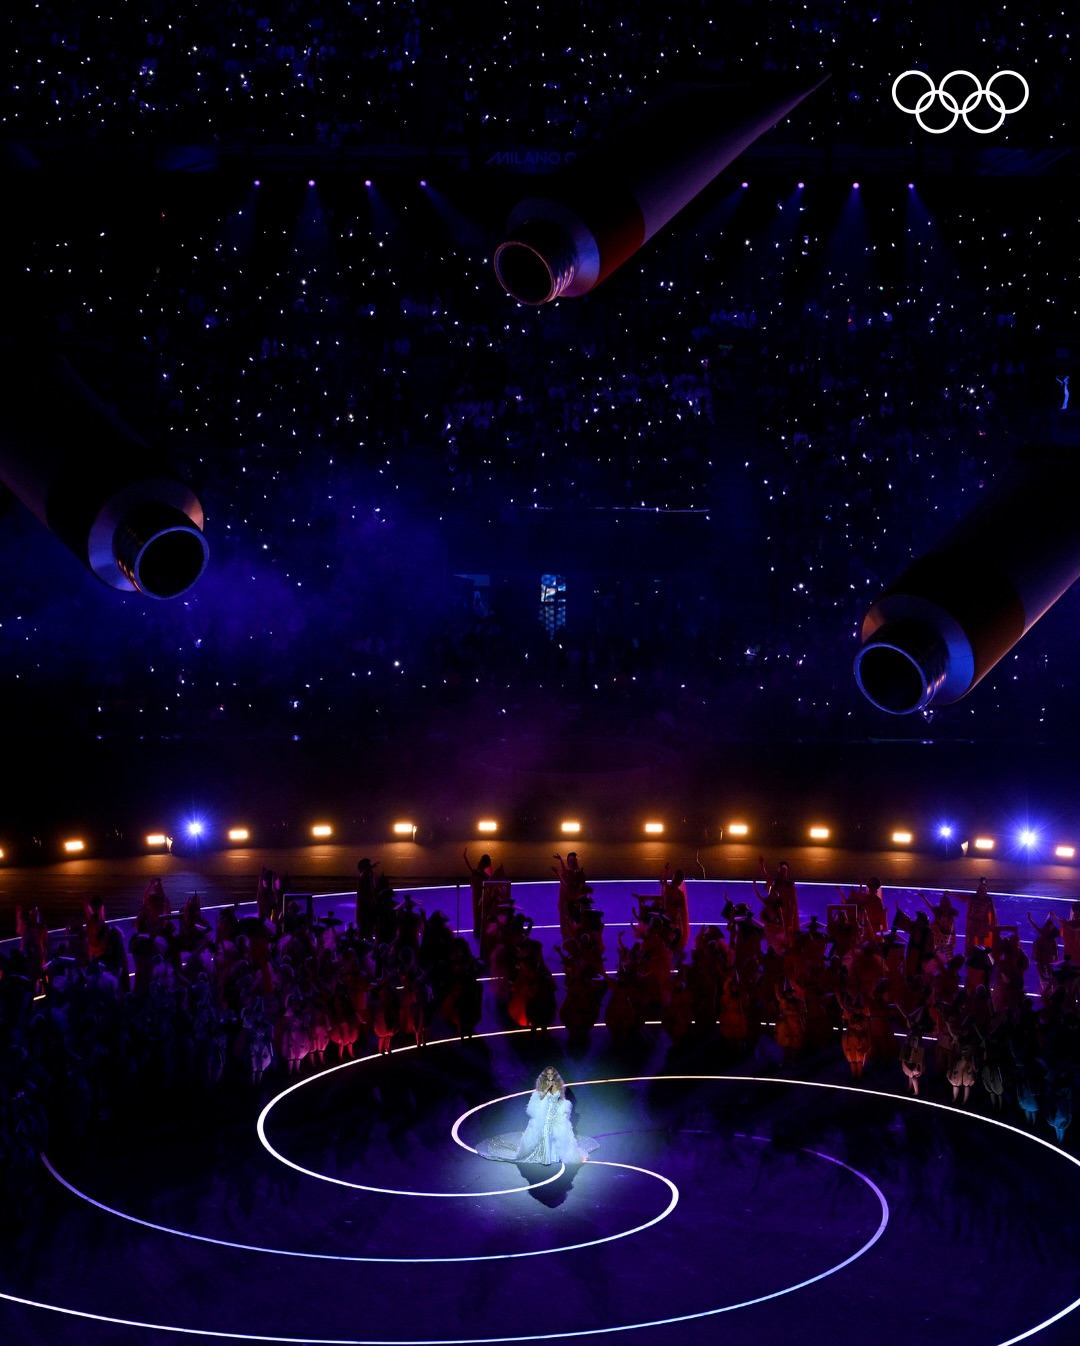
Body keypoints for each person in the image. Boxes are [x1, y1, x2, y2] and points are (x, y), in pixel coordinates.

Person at [476, 1066, 598, 1164]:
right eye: (548, 1075)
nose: (550, 1077)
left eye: (552, 1075)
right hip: (543, 1118)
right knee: (545, 1132)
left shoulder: (558, 1089)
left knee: (558, 1132)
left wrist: (562, 1112)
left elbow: (562, 1103)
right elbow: (532, 1108)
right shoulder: (540, 1091)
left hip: (555, 1117)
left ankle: (555, 1156)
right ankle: (545, 1157)